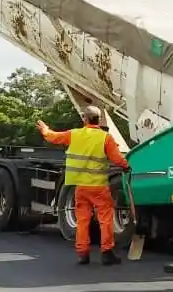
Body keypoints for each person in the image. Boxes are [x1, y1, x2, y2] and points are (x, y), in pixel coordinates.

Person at [37, 106, 130, 266]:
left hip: (80, 187)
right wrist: (126, 166)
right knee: (105, 219)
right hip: (99, 187)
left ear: (85, 119)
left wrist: (45, 130)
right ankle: (107, 252)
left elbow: (53, 137)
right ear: (99, 120)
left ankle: (83, 254)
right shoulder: (105, 138)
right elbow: (117, 159)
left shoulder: (74, 134)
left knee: (82, 220)